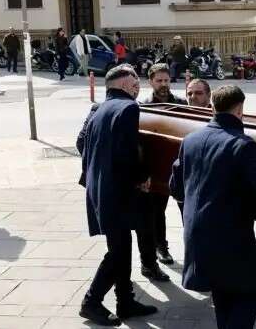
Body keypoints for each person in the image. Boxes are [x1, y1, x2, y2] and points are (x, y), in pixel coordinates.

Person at [169, 85, 256, 329]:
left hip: (195, 233)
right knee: (251, 291)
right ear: (239, 111)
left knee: (223, 292)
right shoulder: (243, 145)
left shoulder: (190, 140)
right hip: (229, 237)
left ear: (213, 108)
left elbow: (176, 188)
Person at [79, 65, 158, 326]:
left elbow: (84, 146)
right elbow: (127, 151)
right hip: (117, 190)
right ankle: (91, 302)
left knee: (121, 247)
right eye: (134, 84)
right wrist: (142, 177)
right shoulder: (128, 108)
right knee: (118, 251)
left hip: (101, 187)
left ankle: (125, 301)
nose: (137, 88)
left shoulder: (100, 108)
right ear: (124, 85)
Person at [76, 101, 170, 284]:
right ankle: (120, 275)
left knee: (146, 226)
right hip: (115, 184)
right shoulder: (98, 109)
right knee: (118, 237)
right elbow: (82, 142)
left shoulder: (139, 109)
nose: (135, 88)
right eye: (132, 85)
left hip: (139, 184)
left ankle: (149, 265)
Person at [139, 63, 186, 265]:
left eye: (166, 80)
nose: (164, 84)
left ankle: (194, 248)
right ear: (151, 82)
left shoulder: (182, 103)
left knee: (187, 211)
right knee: (157, 212)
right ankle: (161, 247)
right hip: (157, 169)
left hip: (181, 167)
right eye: (159, 80)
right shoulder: (144, 106)